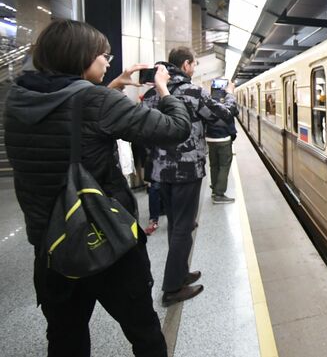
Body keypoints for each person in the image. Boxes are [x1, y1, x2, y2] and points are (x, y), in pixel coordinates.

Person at [4, 19, 191, 357]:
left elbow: (69, 118)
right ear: (82, 57)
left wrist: (110, 90)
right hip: (108, 242)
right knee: (145, 332)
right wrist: (164, 89)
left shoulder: (17, 102)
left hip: (52, 244)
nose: (108, 62)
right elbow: (176, 129)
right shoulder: (97, 102)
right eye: (104, 55)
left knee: (65, 338)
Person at [142, 46, 235, 307]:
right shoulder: (194, 92)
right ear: (185, 66)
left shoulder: (152, 94)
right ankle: (172, 288)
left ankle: (181, 273)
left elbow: (144, 131)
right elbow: (224, 115)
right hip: (187, 170)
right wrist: (229, 96)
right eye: (193, 64)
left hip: (162, 172)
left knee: (175, 223)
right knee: (184, 227)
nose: (194, 68)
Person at [206, 81, 239, 203]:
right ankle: (219, 194)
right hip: (224, 138)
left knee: (214, 165)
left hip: (210, 138)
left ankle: (214, 188)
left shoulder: (207, 99)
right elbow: (234, 111)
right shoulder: (226, 100)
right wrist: (230, 94)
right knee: (224, 166)